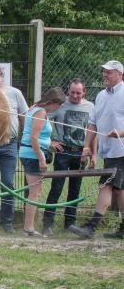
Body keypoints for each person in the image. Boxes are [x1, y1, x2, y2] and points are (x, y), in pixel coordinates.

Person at [70, 60, 124, 239]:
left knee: (106, 185)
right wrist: (86, 146)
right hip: (108, 151)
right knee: (119, 190)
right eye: (104, 72)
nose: (104, 75)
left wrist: (120, 133)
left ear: (119, 74)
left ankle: (91, 227)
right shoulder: (100, 95)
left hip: (122, 150)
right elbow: (92, 123)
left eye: (109, 72)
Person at [42, 78, 95, 236]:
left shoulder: (91, 107)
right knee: (56, 188)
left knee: (75, 190)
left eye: (79, 93)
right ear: (68, 91)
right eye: (72, 92)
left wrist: (93, 153)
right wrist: (49, 141)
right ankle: (48, 224)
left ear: (84, 92)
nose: (75, 96)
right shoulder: (60, 105)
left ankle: (70, 223)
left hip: (81, 153)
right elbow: (41, 118)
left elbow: (94, 130)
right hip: (63, 151)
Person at [0, 64, 29, 233]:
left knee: (8, 183)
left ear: (2, 77)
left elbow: (24, 117)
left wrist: (23, 140)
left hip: (9, 145)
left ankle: (7, 222)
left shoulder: (14, 93)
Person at [19, 87, 65, 237]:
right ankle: (29, 228)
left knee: (35, 192)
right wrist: (41, 158)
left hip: (28, 153)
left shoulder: (34, 107)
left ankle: (28, 227)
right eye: (59, 105)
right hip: (32, 155)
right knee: (35, 193)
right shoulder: (41, 112)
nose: (58, 108)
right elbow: (33, 137)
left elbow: (31, 130)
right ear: (52, 102)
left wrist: (48, 143)